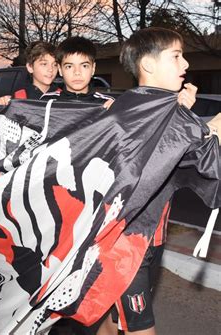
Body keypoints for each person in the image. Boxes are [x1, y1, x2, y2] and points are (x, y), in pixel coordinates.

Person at [92, 27, 219, 335]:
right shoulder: (131, 110)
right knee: (140, 329)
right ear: (148, 65)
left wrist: (187, 116)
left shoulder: (156, 108)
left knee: (113, 323)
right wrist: (209, 129)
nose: (186, 64)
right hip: (123, 244)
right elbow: (205, 160)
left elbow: (172, 153)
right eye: (176, 56)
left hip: (151, 238)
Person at [55, 36, 114, 108]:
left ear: (93, 68)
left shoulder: (108, 104)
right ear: (60, 70)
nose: (77, 72)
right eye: (69, 66)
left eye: (84, 66)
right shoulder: (46, 102)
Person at [0, 41, 60, 105]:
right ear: (30, 67)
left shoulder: (62, 96)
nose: (51, 69)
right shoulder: (19, 97)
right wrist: (3, 102)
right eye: (44, 64)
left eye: (55, 64)